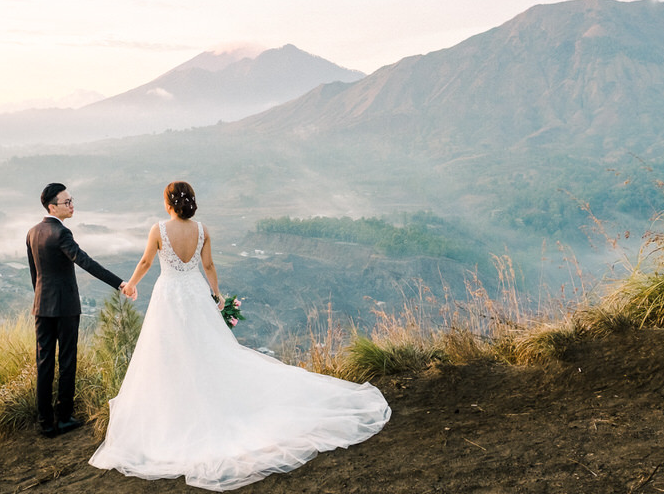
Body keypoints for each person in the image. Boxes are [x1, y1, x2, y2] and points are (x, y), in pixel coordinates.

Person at [89, 181, 391, 491]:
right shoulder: (202, 230)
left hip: (168, 296)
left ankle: (175, 412)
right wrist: (216, 295)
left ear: (168, 204)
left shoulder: (158, 230)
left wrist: (131, 285)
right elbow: (207, 265)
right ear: (190, 202)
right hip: (194, 295)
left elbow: (145, 262)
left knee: (167, 355)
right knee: (209, 351)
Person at [26, 182, 128, 438]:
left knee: (44, 362)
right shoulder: (61, 234)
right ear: (52, 207)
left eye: (72, 200)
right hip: (66, 307)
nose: (72, 205)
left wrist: (41, 299)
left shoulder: (32, 232)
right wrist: (119, 283)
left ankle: (45, 423)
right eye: (67, 202)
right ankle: (64, 417)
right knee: (67, 360)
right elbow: (86, 262)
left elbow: (34, 274)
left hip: (41, 306)